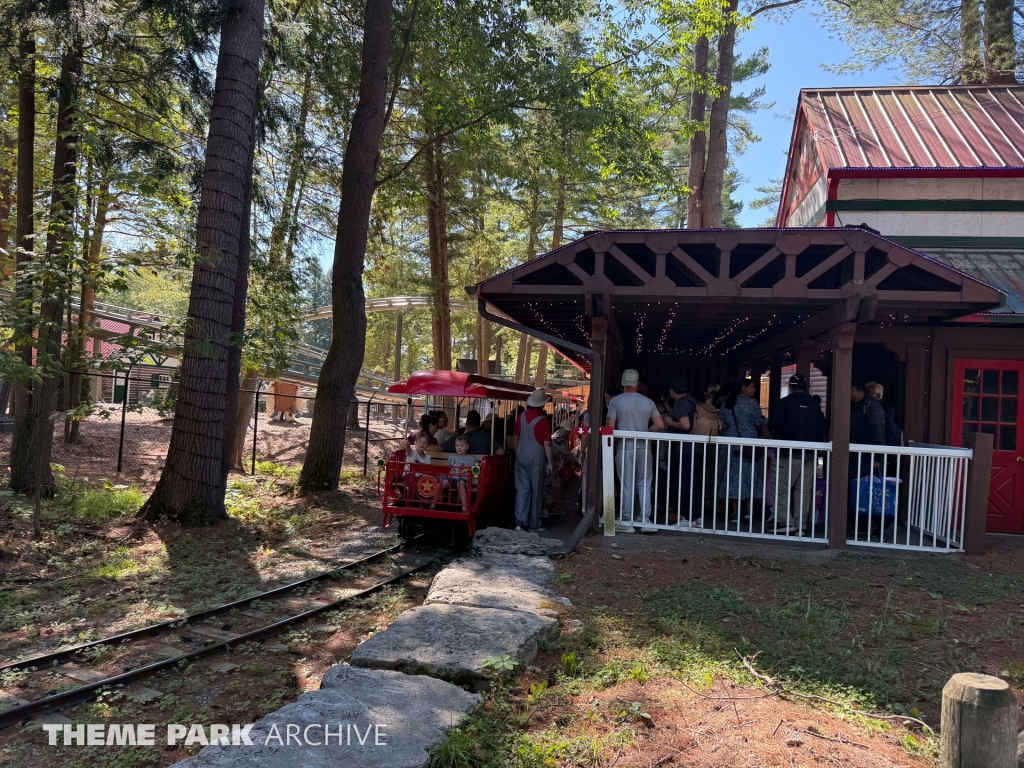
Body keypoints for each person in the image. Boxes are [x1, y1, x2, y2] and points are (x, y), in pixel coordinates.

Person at [606, 369, 665, 534]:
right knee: (644, 484)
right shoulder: (648, 402)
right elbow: (660, 425)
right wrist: (647, 434)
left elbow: (610, 427)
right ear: (638, 383)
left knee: (627, 484)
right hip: (644, 446)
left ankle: (626, 520)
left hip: (625, 447)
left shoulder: (616, 401)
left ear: (623, 384)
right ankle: (645, 519)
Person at [767, 373, 827, 534]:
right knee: (804, 490)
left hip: (787, 452)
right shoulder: (814, 405)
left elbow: (774, 424)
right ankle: (801, 525)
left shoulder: (785, 403)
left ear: (791, 387)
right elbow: (822, 428)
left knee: (782, 488)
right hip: (810, 453)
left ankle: (784, 522)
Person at [717, 377, 769, 523]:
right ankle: (749, 511)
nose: (754, 390)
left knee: (733, 476)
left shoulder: (727, 403)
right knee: (750, 476)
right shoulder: (752, 403)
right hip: (749, 441)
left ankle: (735, 512)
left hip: (731, 442)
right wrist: (770, 439)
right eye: (752, 387)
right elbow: (760, 423)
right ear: (743, 388)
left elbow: (723, 423)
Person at [513, 389, 554, 532]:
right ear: (542, 404)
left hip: (521, 456)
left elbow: (515, 438)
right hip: (537, 458)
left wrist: (518, 453)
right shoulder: (545, 421)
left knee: (522, 489)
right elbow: (547, 444)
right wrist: (550, 462)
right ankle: (534, 523)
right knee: (536, 490)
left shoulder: (520, 417)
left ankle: (520, 522)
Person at [850, 383, 886, 480]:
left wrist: (877, 459)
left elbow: (879, 432)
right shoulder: (851, 406)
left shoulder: (871, 405)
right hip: (852, 456)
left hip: (867, 458)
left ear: (853, 389)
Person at [865, 381, 902, 446]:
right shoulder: (864, 406)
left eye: (869, 393)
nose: (866, 396)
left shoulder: (888, 409)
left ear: (878, 395)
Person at [444, 435, 477, 507]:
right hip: (451, 478)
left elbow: (476, 471)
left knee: (460, 484)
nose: (459, 447)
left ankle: (464, 507)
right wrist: (443, 477)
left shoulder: (471, 459)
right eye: (457, 445)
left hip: (463, 479)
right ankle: (432, 505)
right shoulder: (452, 457)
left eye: (462, 445)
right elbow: (447, 468)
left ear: (467, 447)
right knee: (441, 483)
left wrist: (472, 482)